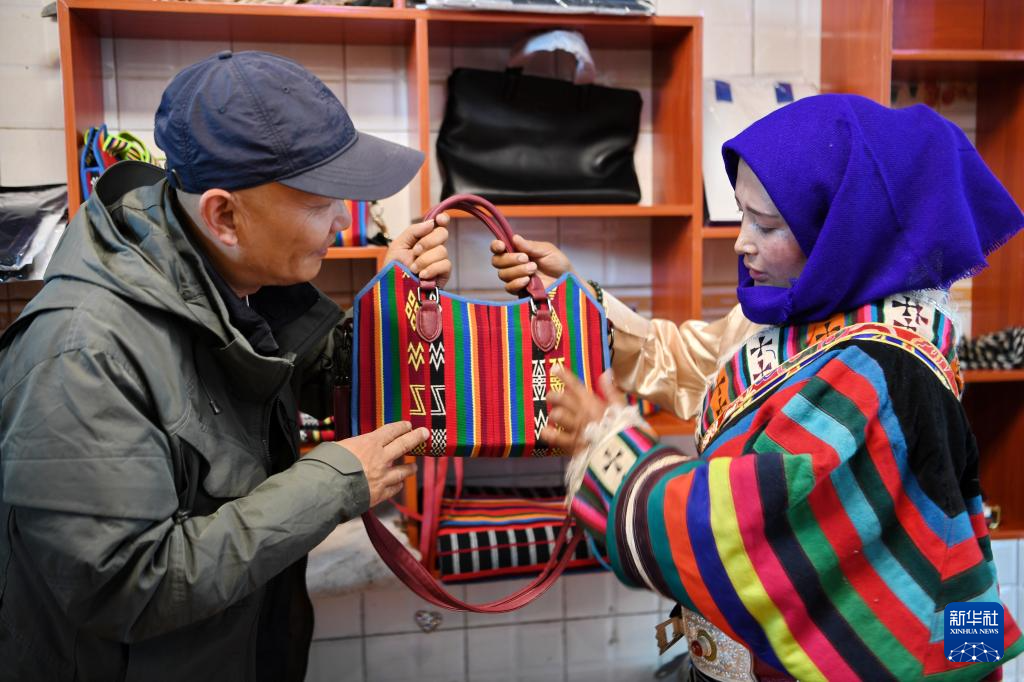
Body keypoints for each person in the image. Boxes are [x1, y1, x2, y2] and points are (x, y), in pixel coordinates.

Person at [492, 94, 1024, 681]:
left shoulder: (884, 372)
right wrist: (576, 300)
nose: (741, 242)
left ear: (841, 232)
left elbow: (751, 528)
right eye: (742, 215)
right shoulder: (804, 310)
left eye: (766, 225)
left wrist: (608, 449)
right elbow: (694, 364)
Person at [0, 51, 451, 682]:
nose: (343, 221)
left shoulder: (239, 283)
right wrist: (334, 484)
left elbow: (330, 377)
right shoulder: (82, 354)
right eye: (320, 203)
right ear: (223, 215)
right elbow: (125, 586)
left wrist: (392, 301)